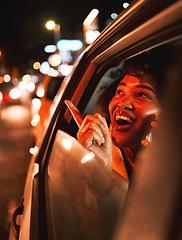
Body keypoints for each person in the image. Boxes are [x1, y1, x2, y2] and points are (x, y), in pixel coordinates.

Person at [76, 52, 167, 239]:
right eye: (120, 92)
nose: (122, 103)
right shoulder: (92, 153)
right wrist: (99, 172)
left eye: (142, 94)